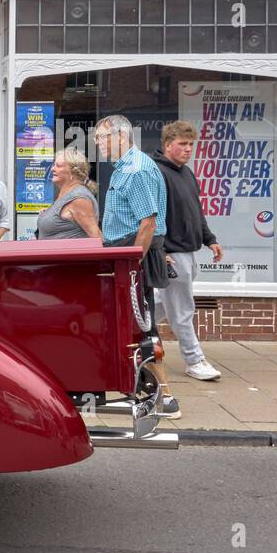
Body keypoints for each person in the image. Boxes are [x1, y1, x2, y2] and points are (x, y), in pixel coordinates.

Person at [94, 113, 176, 417]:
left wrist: (132, 264)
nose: (98, 144)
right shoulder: (126, 167)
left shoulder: (136, 170)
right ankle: (144, 392)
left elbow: (148, 223)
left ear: (120, 136)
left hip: (131, 255)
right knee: (135, 325)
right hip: (128, 252)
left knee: (143, 327)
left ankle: (164, 398)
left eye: (101, 138)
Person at [153, 121, 223, 382]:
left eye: (191, 144)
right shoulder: (157, 173)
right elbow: (152, 215)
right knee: (183, 309)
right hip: (172, 252)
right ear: (168, 145)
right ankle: (194, 360)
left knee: (159, 305)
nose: (188, 149)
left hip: (187, 252)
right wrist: (159, 250)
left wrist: (210, 239)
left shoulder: (187, 173)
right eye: (182, 144)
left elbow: (196, 212)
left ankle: (128, 337)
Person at [35, 147, 101, 240]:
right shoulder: (67, 194)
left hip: (70, 254)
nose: (52, 169)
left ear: (73, 172)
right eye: (54, 165)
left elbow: (96, 237)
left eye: (58, 165)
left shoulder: (79, 198)